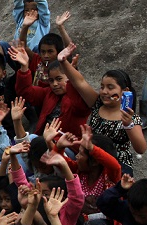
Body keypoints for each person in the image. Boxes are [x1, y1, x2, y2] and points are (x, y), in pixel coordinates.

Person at [57, 43, 146, 175]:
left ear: (125, 91)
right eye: (102, 86)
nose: (104, 91)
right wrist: (63, 62)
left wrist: (128, 125)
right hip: (92, 161)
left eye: (110, 87)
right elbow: (80, 82)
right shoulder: (97, 103)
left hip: (117, 167)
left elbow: (141, 149)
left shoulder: (130, 117)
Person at [10, 44, 90, 138]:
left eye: (59, 79)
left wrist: (72, 80)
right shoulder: (48, 93)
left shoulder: (80, 98)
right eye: (51, 80)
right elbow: (25, 91)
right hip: (42, 139)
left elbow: (82, 106)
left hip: (68, 145)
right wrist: (24, 67)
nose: (55, 84)